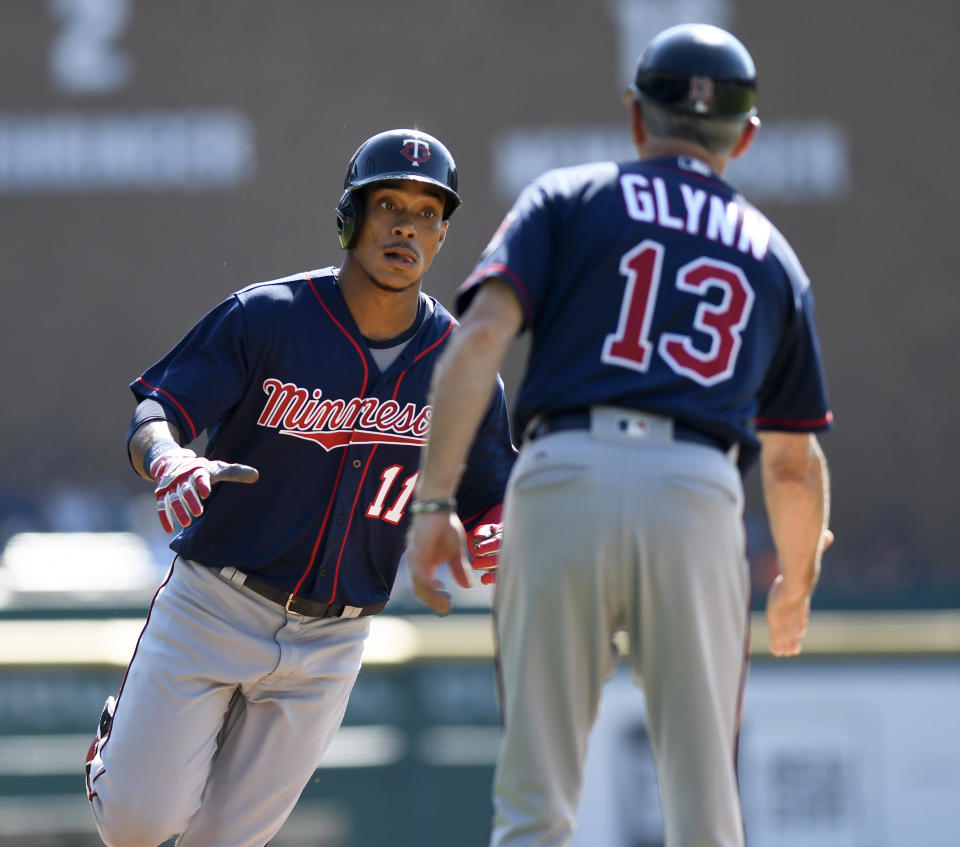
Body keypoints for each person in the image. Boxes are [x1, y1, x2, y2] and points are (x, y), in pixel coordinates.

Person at [406, 24, 833, 847]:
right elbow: (790, 460)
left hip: (565, 472)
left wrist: (434, 499)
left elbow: (481, 336)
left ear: (637, 118)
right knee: (707, 807)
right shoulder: (773, 256)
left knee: (536, 796)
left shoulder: (569, 197)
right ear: (744, 138)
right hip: (697, 489)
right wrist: (798, 582)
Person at [84, 128, 515, 847]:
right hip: (214, 603)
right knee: (138, 824)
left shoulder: (463, 363)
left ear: (443, 233)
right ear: (350, 217)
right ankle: (115, 748)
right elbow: (157, 410)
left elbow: (493, 487)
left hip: (334, 640)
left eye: (426, 210)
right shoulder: (269, 316)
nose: (406, 223)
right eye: (387, 204)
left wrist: (502, 525)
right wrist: (167, 458)